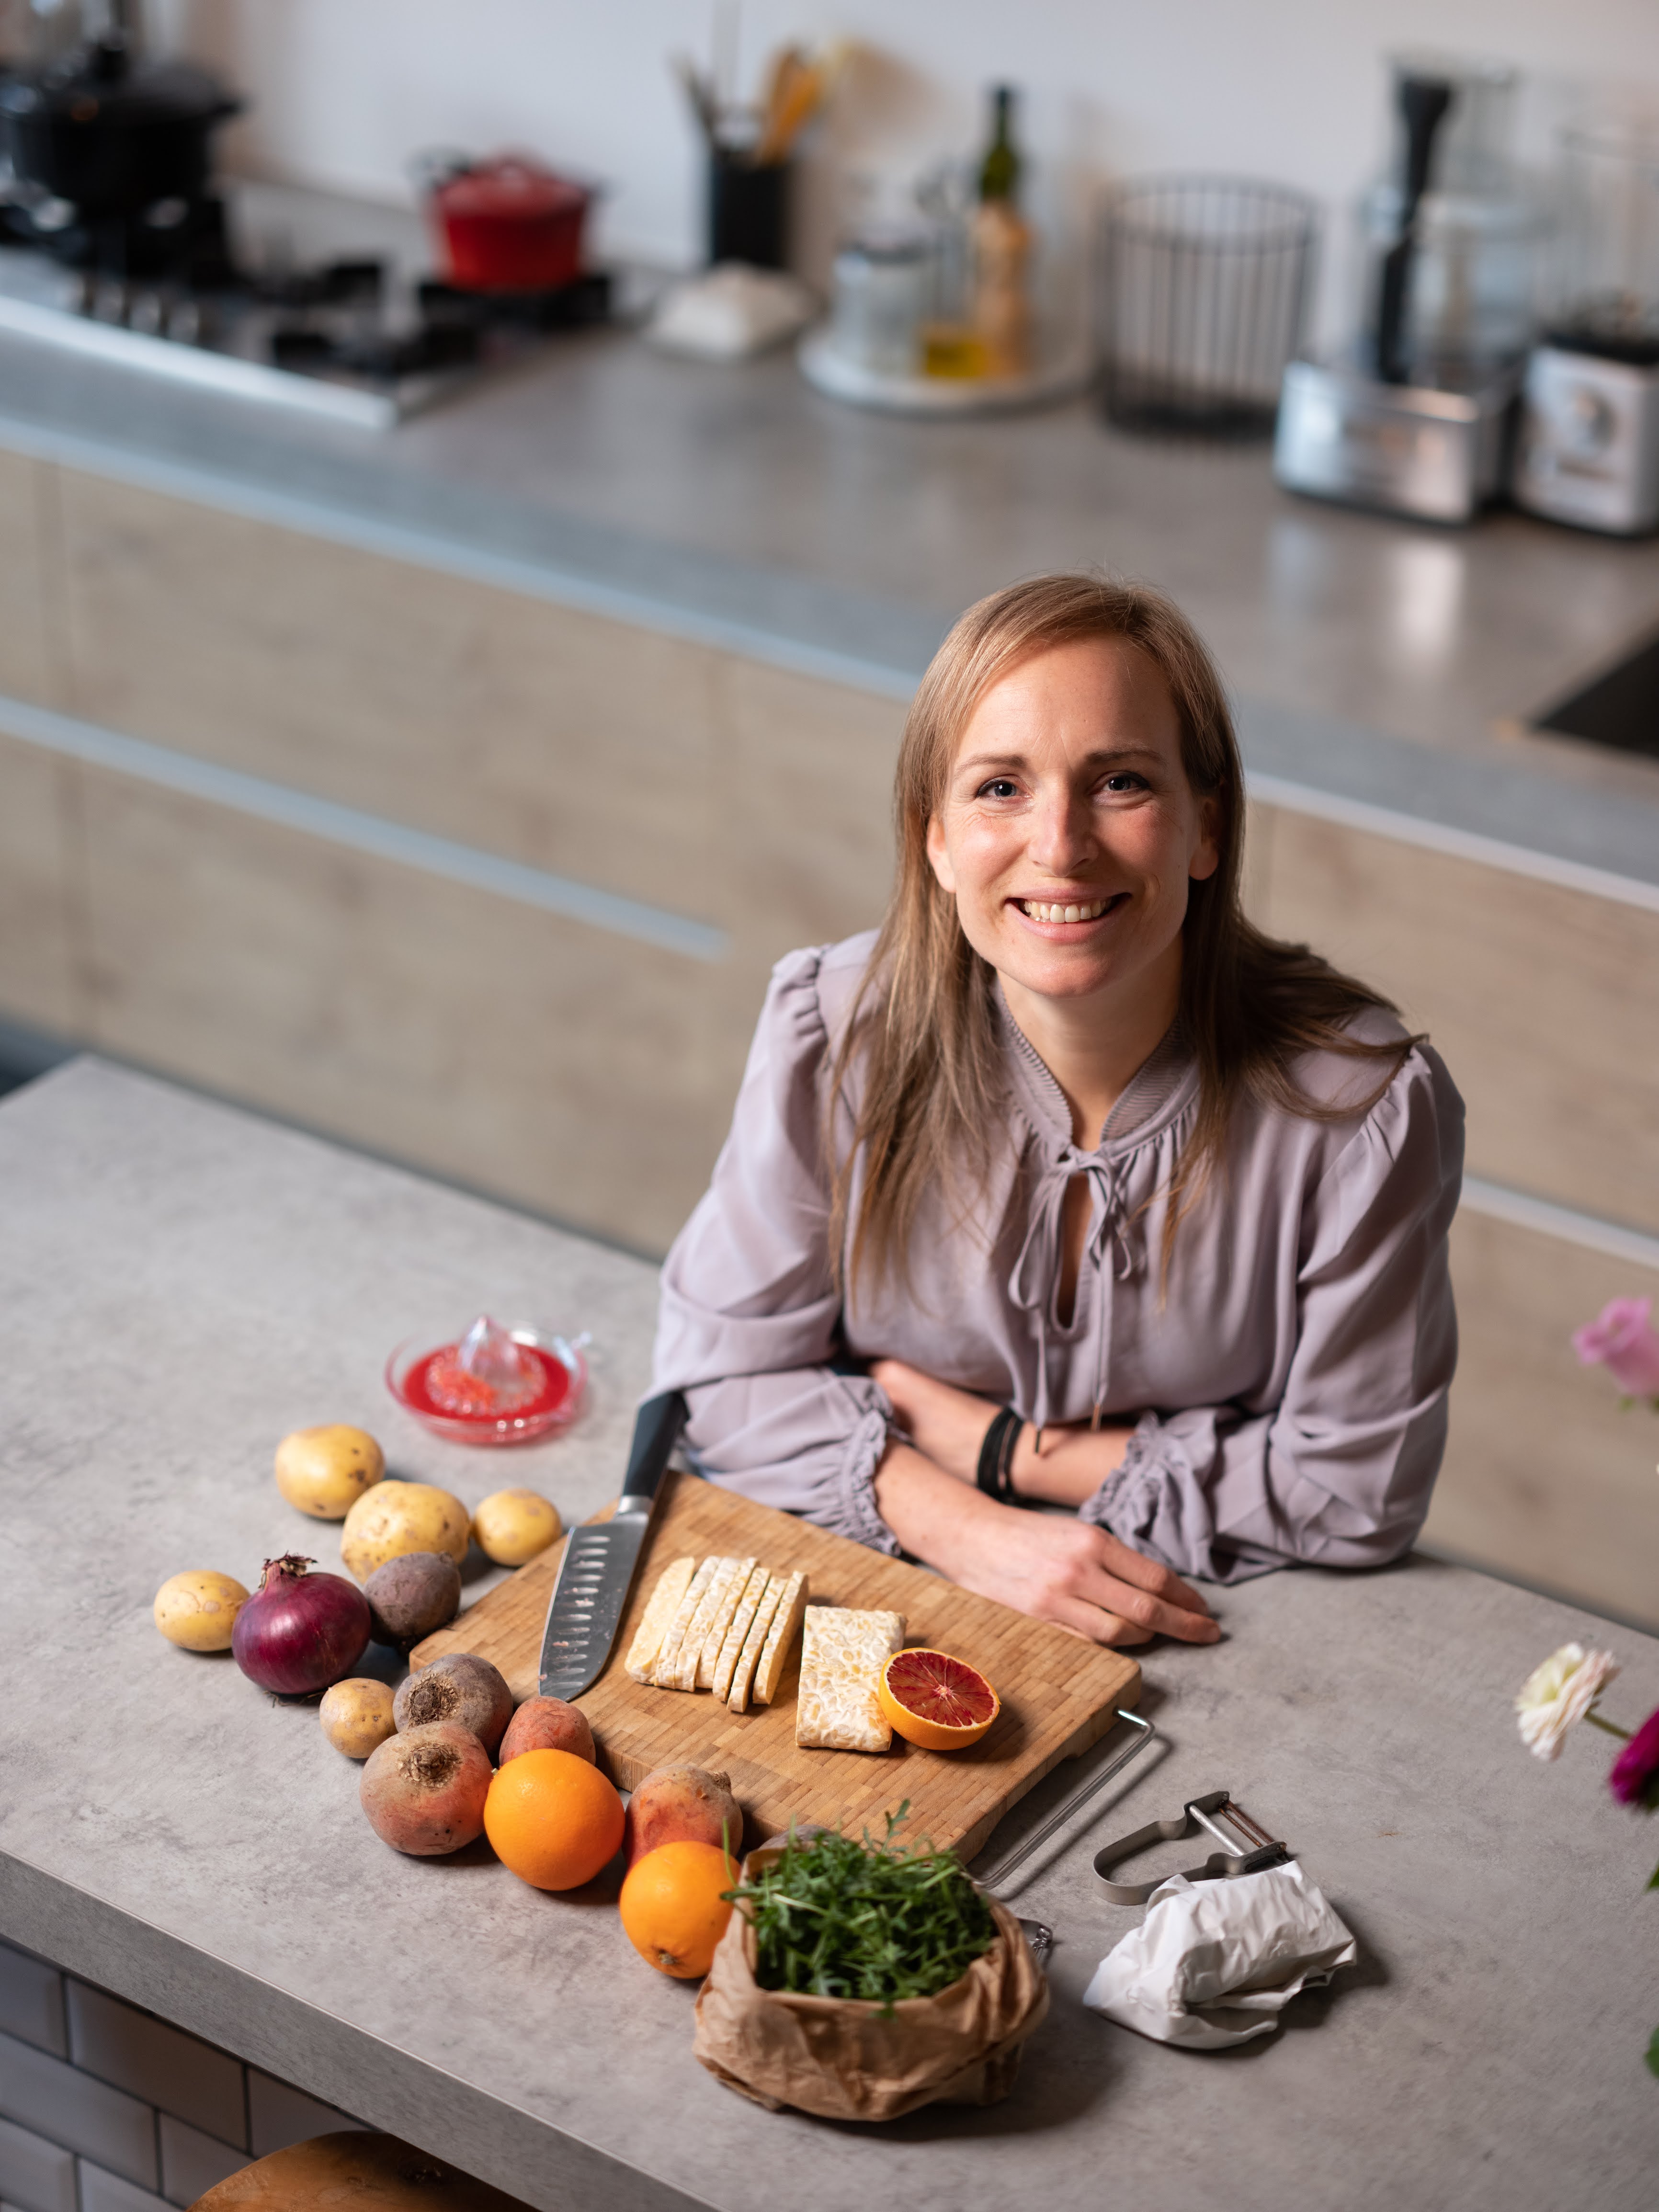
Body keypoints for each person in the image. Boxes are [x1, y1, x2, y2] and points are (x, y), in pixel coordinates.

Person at [652, 574, 1464, 1647]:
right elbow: (717, 1375)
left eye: (1120, 781)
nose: (1061, 845)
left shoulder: (1361, 1107)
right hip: (880, 1591)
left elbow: (1356, 1491)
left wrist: (1000, 1448)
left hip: (1226, 1636)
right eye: (999, 787)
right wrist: (972, 1527)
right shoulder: (834, 1023)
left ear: (1204, 827)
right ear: (934, 835)